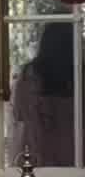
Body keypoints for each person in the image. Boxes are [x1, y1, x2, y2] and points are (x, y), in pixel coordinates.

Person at [11, 23, 77, 168]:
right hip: (75, 157)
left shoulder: (29, 77)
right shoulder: (78, 77)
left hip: (37, 157)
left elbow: (20, 115)